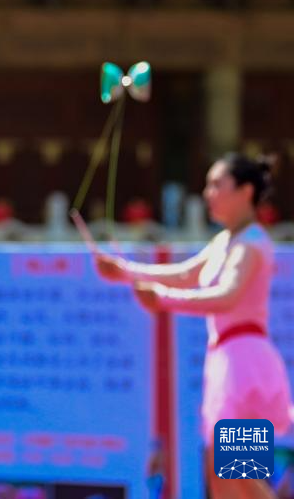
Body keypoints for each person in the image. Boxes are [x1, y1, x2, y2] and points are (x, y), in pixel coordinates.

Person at [96, 153, 294, 499]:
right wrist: (125, 271)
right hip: (229, 360)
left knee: (239, 471)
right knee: (221, 476)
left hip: (244, 365)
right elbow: (185, 273)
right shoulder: (226, 241)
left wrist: (162, 299)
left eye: (217, 184)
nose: (208, 193)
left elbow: (227, 296)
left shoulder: (251, 243)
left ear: (245, 191)